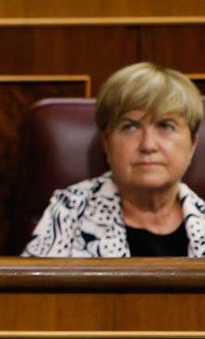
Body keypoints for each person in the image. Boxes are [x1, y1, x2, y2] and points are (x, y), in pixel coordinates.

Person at [24, 62, 205, 257]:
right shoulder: (69, 212)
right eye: (130, 127)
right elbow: (32, 287)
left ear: (192, 144)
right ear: (107, 144)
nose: (148, 145)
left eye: (166, 126)